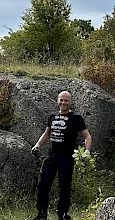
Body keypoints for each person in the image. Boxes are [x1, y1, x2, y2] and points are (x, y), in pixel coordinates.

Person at [30, 90, 92, 220]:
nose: (63, 102)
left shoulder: (76, 118)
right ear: (57, 101)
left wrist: (87, 152)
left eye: (66, 100)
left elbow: (87, 136)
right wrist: (37, 145)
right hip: (51, 156)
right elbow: (47, 134)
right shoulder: (52, 116)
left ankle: (63, 215)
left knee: (64, 187)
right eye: (61, 100)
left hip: (67, 157)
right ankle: (41, 215)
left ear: (71, 102)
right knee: (43, 185)